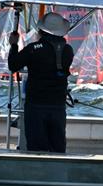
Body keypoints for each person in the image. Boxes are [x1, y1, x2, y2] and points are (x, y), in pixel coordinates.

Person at [8, 12, 74, 153]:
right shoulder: (68, 50)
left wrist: (14, 45)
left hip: (36, 105)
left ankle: (37, 171)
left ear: (41, 31)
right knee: (57, 146)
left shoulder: (33, 49)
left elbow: (13, 65)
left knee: (37, 147)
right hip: (58, 105)